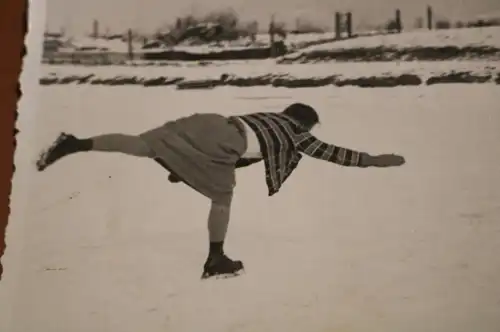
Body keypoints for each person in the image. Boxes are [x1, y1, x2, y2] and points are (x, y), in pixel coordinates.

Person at [36, 103, 405, 279]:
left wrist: (187, 165)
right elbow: (333, 154)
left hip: (209, 121)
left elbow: (242, 152)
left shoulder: (267, 116)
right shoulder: (297, 133)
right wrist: (372, 160)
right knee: (222, 199)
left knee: (145, 145)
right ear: (306, 123)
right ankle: (216, 260)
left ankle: (75, 143)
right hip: (226, 140)